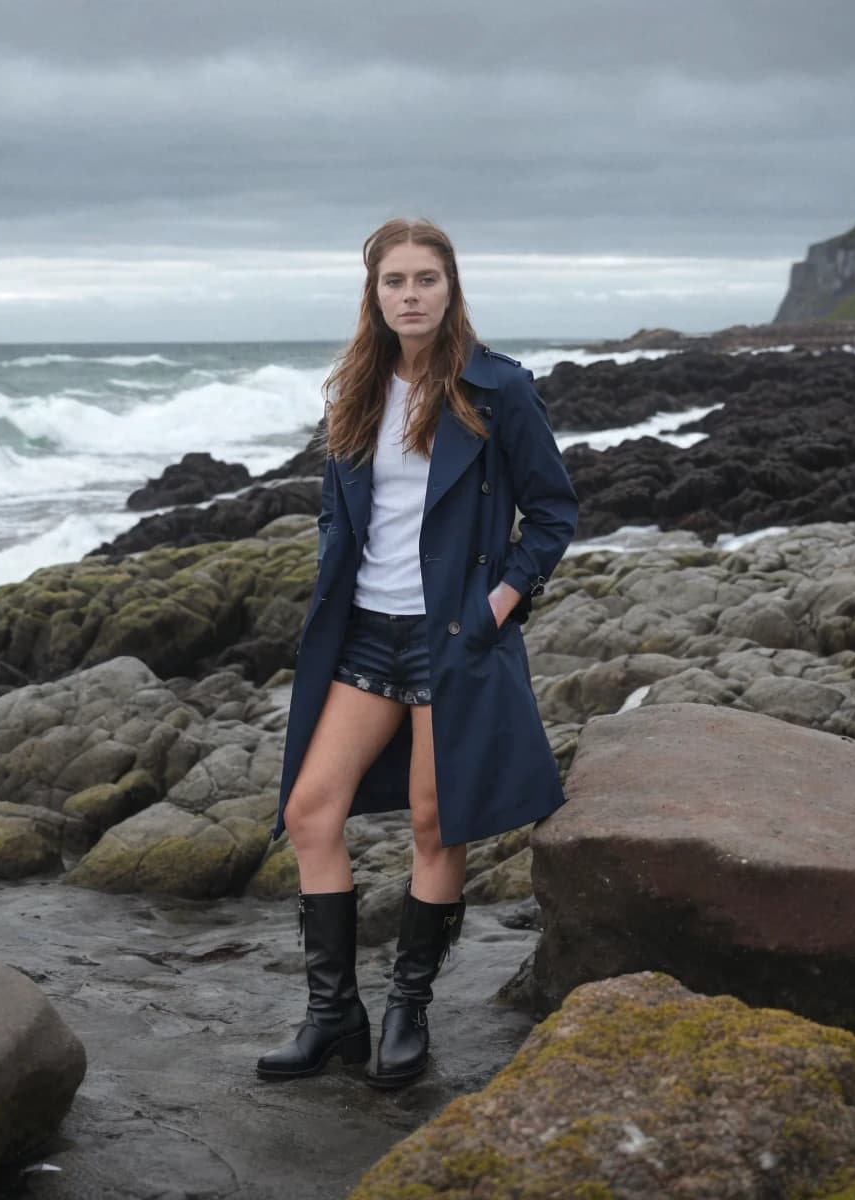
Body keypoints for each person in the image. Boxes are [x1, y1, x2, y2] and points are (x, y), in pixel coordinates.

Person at [255, 217, 578, 1089]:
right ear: (375, 294)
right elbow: (338, 509)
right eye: (394, 281)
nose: (410, 295)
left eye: (425, 279)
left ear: (450, 287)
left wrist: (496, 608)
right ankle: (333, 1018)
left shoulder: (496, 389)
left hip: (453, 638)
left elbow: (553, 515)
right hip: (363, 633)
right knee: (310, 814)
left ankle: (408, 1011)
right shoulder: (355, 393)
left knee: (438, 823)